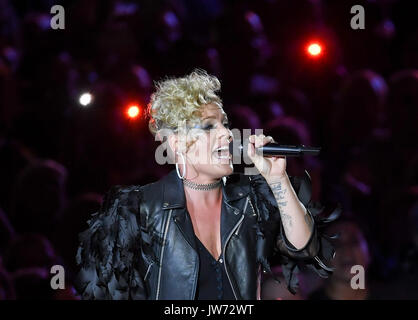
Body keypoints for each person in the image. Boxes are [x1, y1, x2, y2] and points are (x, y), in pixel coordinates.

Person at [75, 69, 337, 300]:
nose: (226, 133)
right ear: (176, 143)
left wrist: (278, 179)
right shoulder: (139, 210)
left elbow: (306, 248)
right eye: (209, 127)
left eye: (224, 123)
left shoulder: (250, 203)